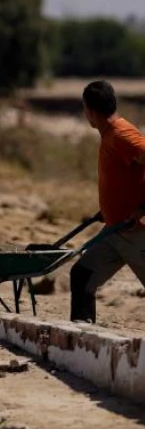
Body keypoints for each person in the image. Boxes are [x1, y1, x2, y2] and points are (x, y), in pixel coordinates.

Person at [70, 80, 145, 322]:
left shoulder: (121, 134)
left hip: (136, 232)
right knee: (81, 275)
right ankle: (81, 337)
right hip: (114, 231)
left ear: (90, 111)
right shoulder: (110, 134)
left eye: (85, 109)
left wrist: (142, 209)